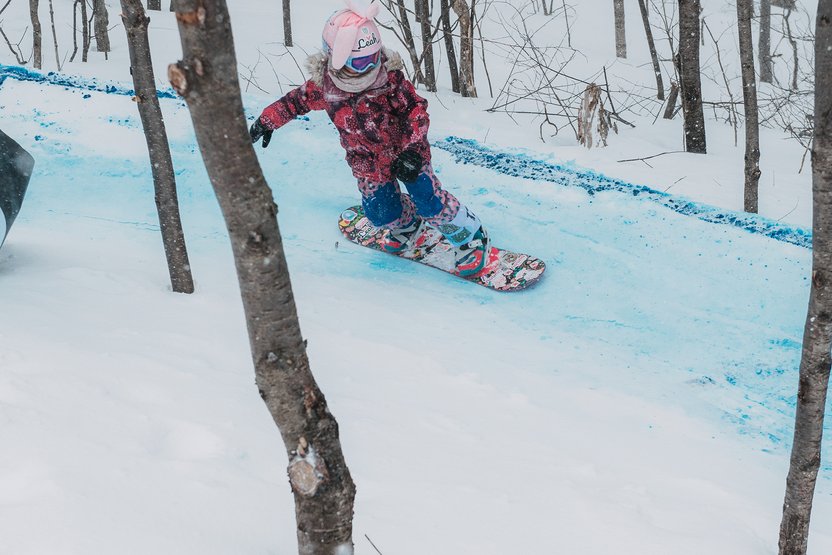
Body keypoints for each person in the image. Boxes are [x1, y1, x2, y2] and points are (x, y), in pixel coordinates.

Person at [249, 0, 491, 277]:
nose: (371, 65)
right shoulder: (324, 87)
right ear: (335, 57)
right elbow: (294, 102)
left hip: (407, 157)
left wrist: (413, 150)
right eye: (362, 60)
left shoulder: (390, 80)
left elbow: (417, 111)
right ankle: (407, 225)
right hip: (366, 163)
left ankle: (469, 235)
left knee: (430, 202)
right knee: (380, 213)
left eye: (375, 56)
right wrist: (267, 121)